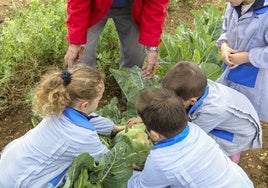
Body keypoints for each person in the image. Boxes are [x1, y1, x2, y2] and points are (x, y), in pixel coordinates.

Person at [0, 65, 123, 187]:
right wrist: (131, 162)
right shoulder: (82, 136)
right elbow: (107, 158)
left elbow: (91, 119)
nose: (99, 103)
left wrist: (114, 128)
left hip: (10, 162)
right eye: (98, 100)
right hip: (24, 181)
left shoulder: (58, 107)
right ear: (84, 105)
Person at [128, 61, 262, 163]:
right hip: (229, 119)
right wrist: (144, 117)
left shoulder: (213, 111)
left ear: (192, 101)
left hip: (237, 133)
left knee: (204, 148)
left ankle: (230, 156)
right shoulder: (195, 87)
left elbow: (187, 134)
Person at [127, 88, 254, 188]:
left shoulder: (160, 161)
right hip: (241, 182)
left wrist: (126, 168)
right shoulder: (195, 130)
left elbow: (139, 186)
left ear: (154, 135)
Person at [64, 0, 169, 79]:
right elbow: (78, 3)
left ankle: (130, 96)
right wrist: (75, 43)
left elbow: (155, 5)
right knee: (82, 56)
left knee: (135, 55)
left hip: (132, 6)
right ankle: (85, 96)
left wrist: (152, 47)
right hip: (93, 5)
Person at [216, 0, 268, 122]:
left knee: (248, 116)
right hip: (230, 71)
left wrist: (248, 57)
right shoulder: (232, 6)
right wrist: (224, 46)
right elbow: (225, 31)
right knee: (230, 108)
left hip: (254, 78)